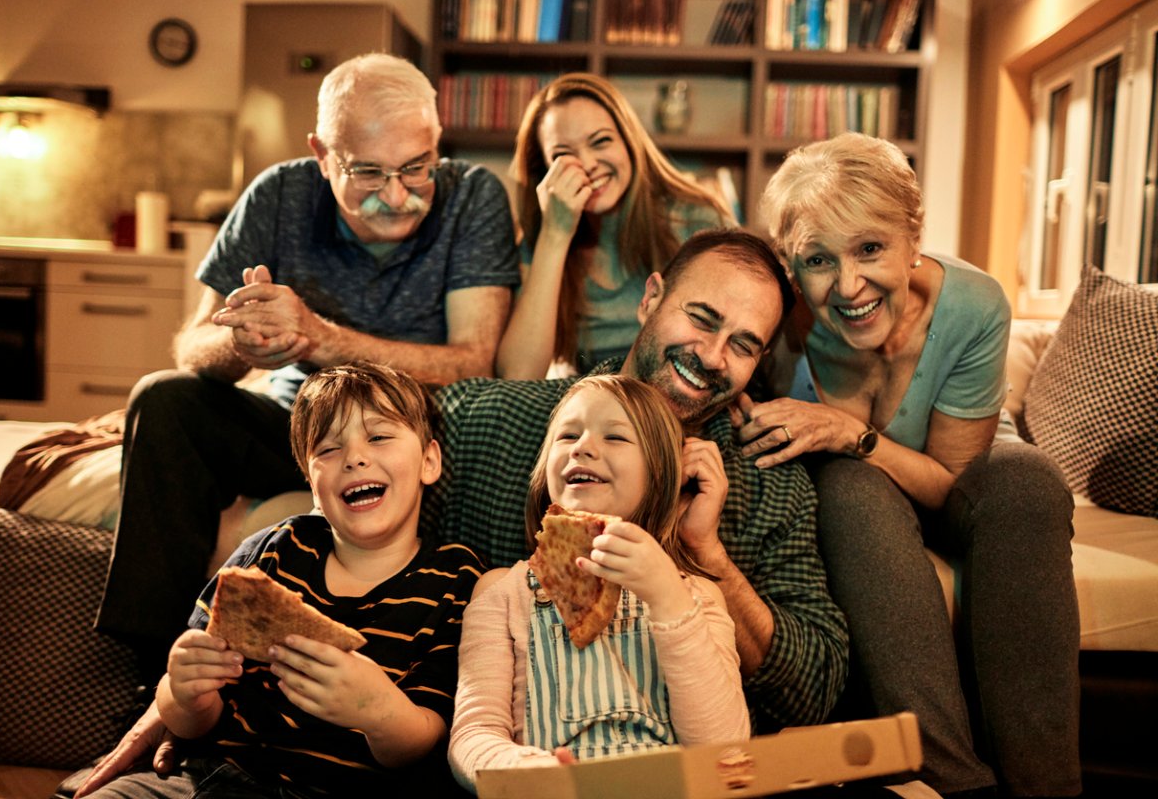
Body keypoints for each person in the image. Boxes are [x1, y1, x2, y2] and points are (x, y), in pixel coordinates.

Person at [69, 228, 849, 796]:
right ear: (652, 300)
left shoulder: (771, 485)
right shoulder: (497, 428)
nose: (712, 356)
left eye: (743, 345)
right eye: (702, 320)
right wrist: (180, 691)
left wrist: (702, 559)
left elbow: (810, 692)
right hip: (502, 768)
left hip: (682, 773)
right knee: (168, 401)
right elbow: (364, 451)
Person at [94, 52, 518, 672]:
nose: (398, 195)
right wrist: (240, 345)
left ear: (437, 145)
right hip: (297, 426)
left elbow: (473, 362)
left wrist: (320, 339)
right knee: (164, 398)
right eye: (368, 173)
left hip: (400, 434)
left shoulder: (473, 195)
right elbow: (193, 346)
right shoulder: (277, 195)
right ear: (322, 155)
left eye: (416, 168)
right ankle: (157, 672)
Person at [745, 133, 1079, 798]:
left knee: (1027, 479)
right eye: (817, 259)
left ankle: (1046, 789)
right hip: (856, 509)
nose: (847, 285)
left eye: (870, 248)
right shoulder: (778, 320)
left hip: (957, 484)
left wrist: (850, 431)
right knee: (846, 484)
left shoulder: (973, 306)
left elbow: (952, 483)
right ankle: (958, 786)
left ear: (912, 235)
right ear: (790, 266)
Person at [65, 361, 485, 797]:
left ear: (429, 461)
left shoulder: (456, 579)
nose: (355, 457)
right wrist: (184, 692)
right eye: (327, 449)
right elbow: (192, 716)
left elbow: (425, 741)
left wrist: (377, 710)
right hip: (213, 777)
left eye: (379, 437)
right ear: (309, 478)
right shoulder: (275, 549)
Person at [448, 375, 750, 787]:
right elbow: (472, 733)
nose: (583, 447)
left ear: (659, 475)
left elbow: (725, 751)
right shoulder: (503, 591)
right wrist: (519, 770)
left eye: (616, 438)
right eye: (568, 434)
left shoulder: (696, 595)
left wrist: (668, 598)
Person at [496, 72, 733, 379]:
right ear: (544, 171)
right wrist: (555, 234)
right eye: (563, 155)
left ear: (629, 141)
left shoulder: (696, 220)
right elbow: (518, 375)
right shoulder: (541, 240)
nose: (588, 163)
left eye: (601, 142)